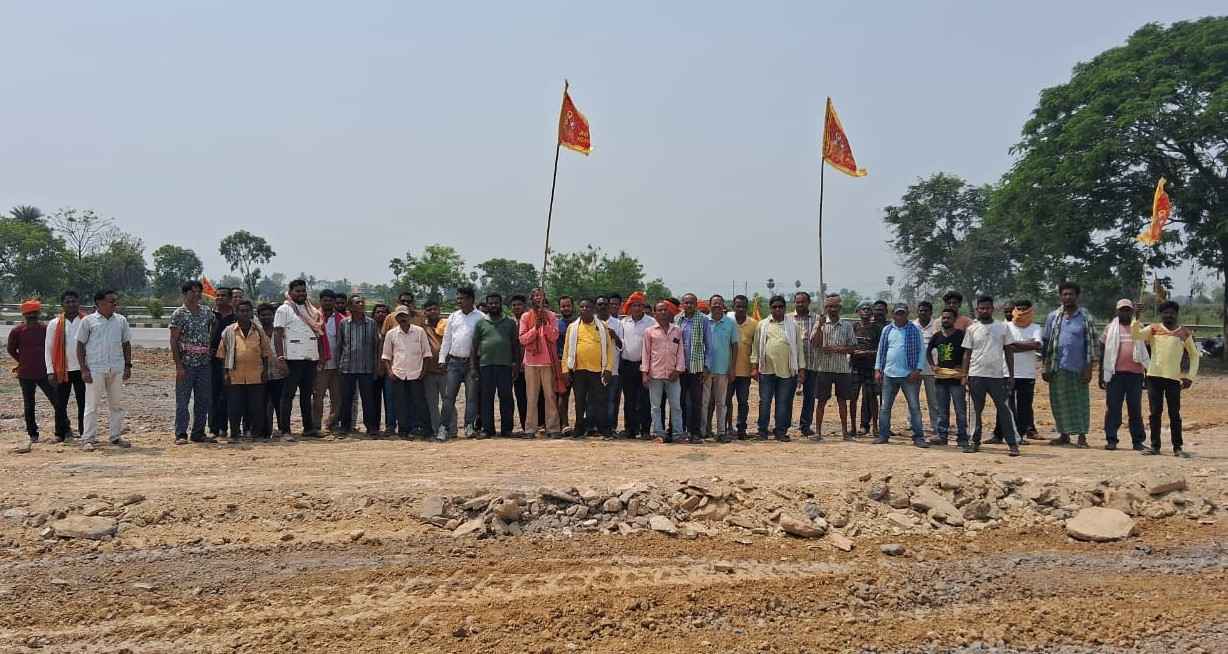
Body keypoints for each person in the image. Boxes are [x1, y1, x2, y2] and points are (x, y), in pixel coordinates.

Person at [1135, 300, 1199, 457]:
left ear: (1176, 314)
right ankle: (1155, 446)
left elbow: (1194, 355)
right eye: (1165, 313)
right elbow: (1136, 335)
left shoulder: (1184, 333)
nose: (1168, 315)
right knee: (1155, 412)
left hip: (1174, 379)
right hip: (1153, 377)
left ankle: (1178, 447)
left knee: (1174, 414)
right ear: (1161, 314)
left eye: (1171, 313)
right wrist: (1136, 317)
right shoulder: (1153, 329)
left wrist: (1190, 376)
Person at [1041, 281, 1099, 448]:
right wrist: (1045, 366)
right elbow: (1046, 342)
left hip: (1079, 367)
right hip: (1057, 366)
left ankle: (1082, 436)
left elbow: (1092, 344)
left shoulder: (1085, 317)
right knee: (1059, 401)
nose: (1067, 297)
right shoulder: (1053, 316)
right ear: (1060, 296)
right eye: (1064, 294)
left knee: (1080, 402)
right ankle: (1064, 435)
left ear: (1077, 296)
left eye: (1071, 294)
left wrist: (1089, 368)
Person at [962, 295, 1020, 456]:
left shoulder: (1002, 327)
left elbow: (1009, 351)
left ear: (992, 309)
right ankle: (974, 441)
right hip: (976, 375)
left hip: (997, 376)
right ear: (977, 310)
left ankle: (1012, 443)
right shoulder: (972, 329)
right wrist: (964, 375)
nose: (984, 311)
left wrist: (1011, 375)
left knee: (1004, 409)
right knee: (974, 410)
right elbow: (967, 354)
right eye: (981, 308)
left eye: (987, 308)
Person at [76, 290, 133, 451]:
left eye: (115, 301)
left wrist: (128, 366)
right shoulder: (88, 321)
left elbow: (126, 344)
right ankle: (88, 439)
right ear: (99, 303)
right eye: (111, 301)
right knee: (92, 405)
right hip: (95, 369)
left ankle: (115, 437)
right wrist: (83, 369)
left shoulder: (121, 321)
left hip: (116, 368)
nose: (115, 304)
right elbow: (80, 345)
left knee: (116, 405)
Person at [273, 279, 324, 440]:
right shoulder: (284, 310)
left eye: (303, 291)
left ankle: (308, 428)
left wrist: (320, 357)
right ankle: (285, 431)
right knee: (288, 395)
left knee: (306, 395)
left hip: (310, 357)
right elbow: (278, 334)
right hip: (292, 358)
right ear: (290, 292)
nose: (301, 294)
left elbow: (318, 335)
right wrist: (280, 358)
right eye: (298, 291)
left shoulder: (311, 310)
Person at [215, 299, 271, 442]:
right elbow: (222, 354)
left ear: (251, 313)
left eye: (247, 311)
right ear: (236, 313)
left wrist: (265, 372)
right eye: (241, 311)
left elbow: (265, 353)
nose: (244, 313)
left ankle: (255, 433)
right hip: (235, 375)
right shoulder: (228, 331)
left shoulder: (259, 330)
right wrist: (225, 374)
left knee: (256, 407)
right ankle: (234, 434)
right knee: (234, 407)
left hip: (256, 375)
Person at [874, 303, 928, 447]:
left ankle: (918, 437)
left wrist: (918, 370)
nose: (900, 316)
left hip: (909, 375)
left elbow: (921, 351)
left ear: (907, 314)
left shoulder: (915, 329)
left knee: (914, 407)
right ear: (893, 314)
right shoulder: (887, 330)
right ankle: (883, 435)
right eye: (897, 313)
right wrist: (878, 369)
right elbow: (881, 350)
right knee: (885, 407)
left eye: (902, 313)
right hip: (889, 374)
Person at [561, 298, 616, 438]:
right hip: (578, 370)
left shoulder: (602, 326)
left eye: (588, 307)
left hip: (598, 371)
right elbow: (566, 349)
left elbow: (609, 350)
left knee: (600, 401)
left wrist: (608, 369)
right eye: (582, 307)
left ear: (593, 309)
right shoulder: (573, 327)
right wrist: (565, 370)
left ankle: (603, 429)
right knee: (579, 401)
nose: (585, 309)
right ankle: (579, 428)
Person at [170, 280, 216, 445]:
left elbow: (214, 326)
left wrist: (210, 345)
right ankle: (181, 433)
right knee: (183, 401)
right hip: (186, 363)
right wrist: (178, 366)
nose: (196, 294)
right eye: (193, 291)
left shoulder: (206, 311)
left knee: (203, 400)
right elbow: (173, 340)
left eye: (199, 291)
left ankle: (198, 433)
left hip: (204, 363)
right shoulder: (179, 314)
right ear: (185, 293)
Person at [751, 295, 803, 441]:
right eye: (775, 307)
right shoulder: (762, 325)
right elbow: (756, 347)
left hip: (787, 371)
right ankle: (762, 430)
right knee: (765, 402)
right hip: (766, 370)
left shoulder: (793, 326)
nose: (778, 309)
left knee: (783, 402)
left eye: (780, 307)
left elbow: (799, 349)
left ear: (785, 308)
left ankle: (780, 431)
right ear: (770, 308)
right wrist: (754, 367)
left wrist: (802, 370)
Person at [1099, 299, 1149, 451]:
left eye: (1128, 310)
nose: (1125, 312)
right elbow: (1102, 351)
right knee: (1113, 408)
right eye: (1122, 310)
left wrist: (1148, 373)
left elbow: (1147, 351)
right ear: (1117, 311)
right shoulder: (1110, 328)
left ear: (1132, 311)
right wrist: (1101, 374)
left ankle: (1137, 441)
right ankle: (1111, 439)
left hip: (1136, 375)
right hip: (1115, 374)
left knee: (1135, 409)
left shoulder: (1139, 327)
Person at [439, 286, 485, 440]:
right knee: (448, 397)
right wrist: (442, 359)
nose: (459, 301)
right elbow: (447, 339)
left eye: (462, 298)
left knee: (471, 397)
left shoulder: (481, 317)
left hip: (472, 364)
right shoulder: (453, 316)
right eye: (457, 298)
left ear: (471, 299)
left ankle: (469, 427)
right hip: (454, 362)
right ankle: (444, 428)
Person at [9, 300, 54, 453]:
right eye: (29, 313)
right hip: (25, 374)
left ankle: (64, 429)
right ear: (24, 314)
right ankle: (32, 434)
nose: (32, 315)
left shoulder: (46, 329)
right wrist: (21, 361)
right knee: (29, 405)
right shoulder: (17, 331)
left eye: (34, 313)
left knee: (56, 401)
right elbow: (11, 349)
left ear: (38, 313)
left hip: (45, 373)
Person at [473, 293, 521, 438]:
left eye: (496, 303)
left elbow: (515, 346)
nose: (493, 305)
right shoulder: (481, 323)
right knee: (486, 398)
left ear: (501, 304)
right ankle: (488, 429)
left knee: (506, 397)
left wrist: (516, 365)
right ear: (487, 305)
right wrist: (473, 368)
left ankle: (507, 429)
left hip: (505, 366)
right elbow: (474, 347)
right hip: (485, 365)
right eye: (491, 303)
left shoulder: (510, 323)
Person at [381, 306, 433, 439]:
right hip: (398, 374)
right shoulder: (391, 334)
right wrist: (390, 372)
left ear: (409, 316)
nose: (402, 318)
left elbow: (427, 354)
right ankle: (404, 431)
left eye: (404, 316)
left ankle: (426, 430)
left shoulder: (419, 331)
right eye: (399, 316)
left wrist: (423, 371)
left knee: (419, 403)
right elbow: (386, 356)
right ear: (396, 318)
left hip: (416, 373)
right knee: (401, 404)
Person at [810, 293, 856, 440]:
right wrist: (820, 326)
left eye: (835, 306)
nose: (832, 309)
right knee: (821, 401)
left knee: (842, 401)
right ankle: (818, 432)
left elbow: (852, 347)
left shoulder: (847, 326)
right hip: (823, 368)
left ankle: (845, 432)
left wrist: (835, 349)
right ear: (825, 308)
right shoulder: (819, 324)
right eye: (829, 306)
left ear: (840, 307)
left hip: (842, 369)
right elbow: (815, 343)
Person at [518, 288, 562, 437]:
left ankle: (553, 428)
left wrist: (545, 324)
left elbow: (554, 336)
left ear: (544, 298)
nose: (538, 298)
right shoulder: (526, 316)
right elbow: (522, 339)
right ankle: (530, 429)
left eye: (540, 295)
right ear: (531, 298)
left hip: (548, 362)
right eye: (535, 295)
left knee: (550, 396)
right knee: (531, 397)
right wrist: (535, 328)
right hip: (531, 362)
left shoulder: (551, 316)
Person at [45, 290, 86, 442]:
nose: (71, 304)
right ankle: (60, 433)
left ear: (78, 302)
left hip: (83, 369)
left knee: (84, 403)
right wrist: (50, 371)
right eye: (67, 301)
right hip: (62, 370)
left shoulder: (86, 321)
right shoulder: (54, 324)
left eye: (74, 301)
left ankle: (85, 433)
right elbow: (48, 349)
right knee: (60, 403)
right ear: (62, 304)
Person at [336, 294, 380, 437]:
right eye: (357, 302)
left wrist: (377, 366)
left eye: (362, 302)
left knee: (368, 400)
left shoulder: (371, 323)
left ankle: (371, 427)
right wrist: (338, 365)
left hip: (366, 367)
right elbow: (339, 345)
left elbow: (376, 346)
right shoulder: (343, 323)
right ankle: (345, 427)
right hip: (347, 367)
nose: (361, 304)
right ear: (350, 306)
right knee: (346, 399)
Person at [642, 300, 686, 442]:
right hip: (655, 374)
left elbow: (680, 352)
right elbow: (646, 353)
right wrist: (644, 373)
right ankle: (658, 433)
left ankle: (677, 434)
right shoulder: (649, 332)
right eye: (659, 310)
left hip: (673, 375)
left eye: (665, 310)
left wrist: (678, 370)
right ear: (655, 313)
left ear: (669, 312)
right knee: (655, 407)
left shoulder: (677, 330)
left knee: (676, 406)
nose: (663, 312)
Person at [1001, 299, 1042, 444]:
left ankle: (1021, 435)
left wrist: (1012, 345)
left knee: (1024, 407)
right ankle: (1007, 434)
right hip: (1007, 372)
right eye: (1019, 309)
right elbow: (1003, 346)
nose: (1021, 312)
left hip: (1027, 373)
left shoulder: (1035, 327)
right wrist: (1026, 345)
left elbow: (1036, 344)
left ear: (1030, 310)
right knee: (1007, 406)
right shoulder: (1006, 326)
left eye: (1025, 309)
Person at [926, 308, 969, 447]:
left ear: (954, 320)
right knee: (942, 410)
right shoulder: (937, 336)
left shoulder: (961, 335)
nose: (945, 320)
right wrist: (932, 365)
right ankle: (942, 436)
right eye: (943, 318)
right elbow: (928, 351)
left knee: (960, 410)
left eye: (948, 318)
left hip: (957, 378)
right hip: (941, 378)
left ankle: (962, 437)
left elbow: (967, 353)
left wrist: (964, 371)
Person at [674, 293, 712, 439]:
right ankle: (681, 430)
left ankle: (695, 432)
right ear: (682, 304)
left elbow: (709, 345)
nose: (689, 305)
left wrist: (706, 367)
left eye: (691, 303)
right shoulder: (677, 319)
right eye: (686, 302)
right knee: (680, 400)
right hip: (680, 368)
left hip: (697, 368)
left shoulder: (703, 320)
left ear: (696, 304)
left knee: (696, 402)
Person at [702, 295, 739, 442]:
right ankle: (703, 431)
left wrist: (732, 368)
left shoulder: (730, 323)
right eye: (714, 303)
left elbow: (735, 345)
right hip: (706, 369)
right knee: (704, 402)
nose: (717, 306)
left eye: (719, 304)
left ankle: (721, 432)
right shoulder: (704, 321)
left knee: (721, 403)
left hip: (723, 369)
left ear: (723, 306)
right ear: (709, 305)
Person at [617, 292, 654, 438]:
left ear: (643, 307)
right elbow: (620, 343)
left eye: (640, 305)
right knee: (629, 399)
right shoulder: (623, 322)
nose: (637, 308)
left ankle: (645, 430)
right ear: (630, 307)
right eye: (634, 305)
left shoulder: (651, 322)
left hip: (644, 366)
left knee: (645, 400)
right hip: (627, 366)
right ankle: (630, 429)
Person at [725, 295, 758, 439]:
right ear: (733, 307)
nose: (741, 309)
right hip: (727, 371)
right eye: (738, 306)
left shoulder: (754, 324)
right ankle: (727, 428)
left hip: (745, 371)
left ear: (747, 308)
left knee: (743, 402)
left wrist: (754, 368)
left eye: (743, 306)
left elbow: (755, 348)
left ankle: (741, 429)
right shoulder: (727, 322)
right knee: (726, 401)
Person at [313, 289, 345, 434]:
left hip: (337, 365)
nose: (327, 303)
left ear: (334, 302)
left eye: (330, 300)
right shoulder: (313, 318)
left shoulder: (342, 319)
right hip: (321, 364)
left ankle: (332, 423)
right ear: (320, 301)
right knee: (318, 396)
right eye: (325, 300)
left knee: (337, 397)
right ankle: (316, 425)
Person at [791, 292, 822, 437]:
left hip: (811, 363)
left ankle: (805, 426)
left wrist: (820, 326)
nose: (800, 304)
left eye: (803, 302)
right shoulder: (788, 319)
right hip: (792, 365)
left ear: (809, 302)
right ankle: (783, 424)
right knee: (786, 396)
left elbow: (818, 342)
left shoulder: (817, 319)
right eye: (797, 302)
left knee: (809, 397)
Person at [207, 287, 236, 439]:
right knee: (213, 394)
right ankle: (213, 428)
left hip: (232, 360)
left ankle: (226, 428)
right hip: (212, 360)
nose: (219, 298)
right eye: (217, 295)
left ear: (230, 299)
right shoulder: (209, 316)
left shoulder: (236, 317)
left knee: (228, 395)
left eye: (223, 296)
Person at [850, 302, 881, 436]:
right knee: (853, 397)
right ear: (858, 311)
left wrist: (867, 353)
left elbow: (881, 349)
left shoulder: (877, 329)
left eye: (869, 309)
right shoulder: (854, 327)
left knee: (872, 398)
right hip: (855, 367)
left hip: (871, 367)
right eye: (863, 309)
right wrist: (853, 352)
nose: (866, 311)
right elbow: (848, 345)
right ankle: (853, 427)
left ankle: (875, 427)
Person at [257, 302, 288, 439]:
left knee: (280, 403)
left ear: (274, 315)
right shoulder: (255, 332)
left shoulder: (280, 332)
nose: (266, 317)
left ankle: (283, 429)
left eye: (269, 314)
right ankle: (265, 431)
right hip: (261, 374)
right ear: (258, 316)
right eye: (263, 315)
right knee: (263, 404)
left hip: (279, 373)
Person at [596, 296, 624, 437]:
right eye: (599, 304)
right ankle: (595, 427)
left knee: (611, 400)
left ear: (609, 306)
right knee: (595, 400)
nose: (602, 306)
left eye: (605, 304)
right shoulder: (592, 322)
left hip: (613, 369)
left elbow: (621, 346)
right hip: (594, 368)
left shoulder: (618, 323)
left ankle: (610, 428)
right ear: (596, 306)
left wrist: (614, 336)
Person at [420, 300, 447, 437]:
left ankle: (451, 429)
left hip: (446, 371)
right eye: (429, 310)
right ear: (424, 312)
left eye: (435, 309)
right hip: (429, 371)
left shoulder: (447, 324)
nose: (432, 312)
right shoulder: (422, 328)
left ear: (439, 310)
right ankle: (436, 429)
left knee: (448, 402)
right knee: (432, 403)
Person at [913, 300, 941, 436]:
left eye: (926, 311)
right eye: (921, 310)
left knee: (934, 400)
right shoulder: (912, 325)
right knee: (913, 399)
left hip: (932, 368)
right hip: (914, 369)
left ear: (931, 312)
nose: (923, 313)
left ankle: (936, 425)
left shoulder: (937, 326)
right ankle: (913, 424)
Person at [554, 295, 576, 432]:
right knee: (563, 395)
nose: (566, 308)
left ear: (573, 307)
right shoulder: (556, 324)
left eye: (568, 305)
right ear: (559, 308)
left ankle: (580, 425)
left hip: (579, 364)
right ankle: (564, 425)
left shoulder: (579, 323)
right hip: (562, 363)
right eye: (563, 306)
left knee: (581, 396)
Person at [508, 294, 529, 432]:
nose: (517, 307)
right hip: (515, 367)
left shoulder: (530, 320)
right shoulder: (509, 323)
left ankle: (537, 425)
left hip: (530, 365)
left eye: (519, 305)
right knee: (520, 397)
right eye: (514, 305)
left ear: (524, 306)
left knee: (534, 397)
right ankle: (524, 426)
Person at [368, 303, 391, 433]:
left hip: (389, 370)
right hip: (372, 370)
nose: (381, 314)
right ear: (373, 314)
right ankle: (374, 427)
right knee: (373, 400)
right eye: (378, 312)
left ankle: (389, 427)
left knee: (390, 400)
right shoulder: (369, 329)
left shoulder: (392, 329)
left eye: (384, 312)